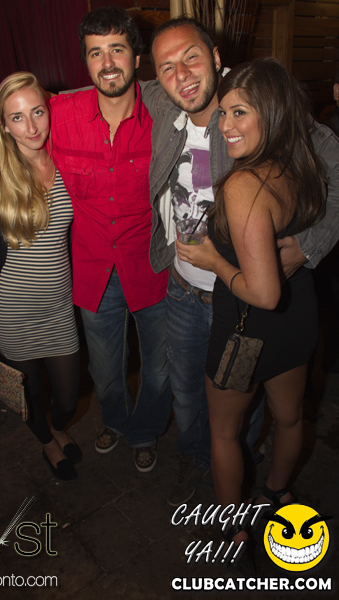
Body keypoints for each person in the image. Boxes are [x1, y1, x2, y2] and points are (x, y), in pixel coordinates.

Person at [140, 17, 339, 505]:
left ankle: (234, 487)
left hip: (241, 304)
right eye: (166, 67)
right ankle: (226, 472)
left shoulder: (257, 100)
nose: (181, 75)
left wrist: (309, 245)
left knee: (237, 419)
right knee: (191, 399)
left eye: (191, 57)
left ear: (215, 56)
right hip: (185, 292)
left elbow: (333, 162)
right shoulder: (163, 102)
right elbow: (113, 80)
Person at [176, 58, 325, 546]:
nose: (225, 126)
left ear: (272, 111)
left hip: (247, 329)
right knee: (290, 417)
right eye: (223, 113)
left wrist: (213, 260)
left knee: (224, 432)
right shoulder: (302, 163)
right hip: (298, 320)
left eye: (239, 112)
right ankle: (278, 493)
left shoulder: (244, 184)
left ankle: (234, 529)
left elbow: (263, 292)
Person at [49, 6, 171, 473]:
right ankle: (116, 422)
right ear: (85, 62)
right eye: (95, 53)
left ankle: (145, 432)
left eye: (116, 49)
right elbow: (16, 119)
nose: (107, 63)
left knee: (158, 369)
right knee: (103, 370)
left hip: (153, 268)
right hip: (92, 270)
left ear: (136, 58)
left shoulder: (164, 113)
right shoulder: (61, 114)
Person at [0, 72, 81, 481]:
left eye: (38, 112)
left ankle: (59, 426)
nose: (31, 127)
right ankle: (48, 442)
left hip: (59, 309)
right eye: (17, 117)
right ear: (3, 125)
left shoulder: (68, 164)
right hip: (13, 314)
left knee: (68, 399)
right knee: (31, 396)